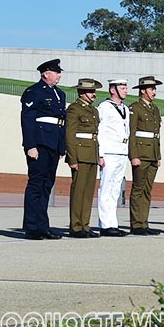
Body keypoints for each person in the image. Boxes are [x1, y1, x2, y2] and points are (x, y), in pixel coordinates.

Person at [21, 58, 67, 240]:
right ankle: (32, 227)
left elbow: (61, 122)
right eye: (56, 72)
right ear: (45, 73)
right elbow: (28, 119)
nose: (59, 75)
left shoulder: (60, 94)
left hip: (53, 144)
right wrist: (30, 145)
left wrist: (61, 146)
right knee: (36, 184)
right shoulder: (34, 91)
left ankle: (42, 226)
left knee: (47, 185)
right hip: (39, 143)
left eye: (59, 72)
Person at [65, 78, 104, 238]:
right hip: (80, 155)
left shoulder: (93, 111)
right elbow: (70, 135)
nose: (93, 94)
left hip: (91, 154)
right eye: (90, 91)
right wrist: (72, 158)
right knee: (78, 192)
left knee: (88, 193)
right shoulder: (74, 109)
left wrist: (98, 155)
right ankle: (75, 226)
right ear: (81, 92)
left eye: (94, 91)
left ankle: (85, 225)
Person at [128, 76, 164, 236]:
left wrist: (158, 155)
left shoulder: (155, 109)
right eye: (151, 89)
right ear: (143, 90)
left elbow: (156, 135)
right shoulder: (135, 108)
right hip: (141, 154)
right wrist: (133, 155)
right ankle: (136, 224)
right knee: (138, 189)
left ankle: (144, 222)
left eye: (155, 88)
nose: (154, 92)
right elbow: (132, 133)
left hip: (152, 154)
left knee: (147, 190)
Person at [95, 79, 131, 237]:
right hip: (109, 152)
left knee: (115, 191)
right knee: (106, 189)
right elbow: (100, 131)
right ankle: (105, 225)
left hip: (121, 152)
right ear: (113, 89)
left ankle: (112, 223)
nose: (125, 90)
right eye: (122, 88)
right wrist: (100, 153)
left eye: (125, 87)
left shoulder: (124, 108)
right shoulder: (104, 107)